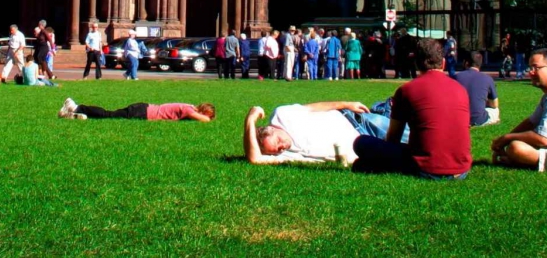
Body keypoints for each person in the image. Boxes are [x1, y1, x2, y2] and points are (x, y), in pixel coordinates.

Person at [350, 38, 471, 179]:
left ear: (416, 63)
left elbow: (393, 138)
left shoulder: (407, 90)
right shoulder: (460, 89)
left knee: (361, 143)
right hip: (461, 170)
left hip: (425, 167)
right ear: (443, 63)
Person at [244, 100, 397, 166]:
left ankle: (387, 108)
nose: (282, 146)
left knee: (413, 135)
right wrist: (250, 120)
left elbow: (314, 107)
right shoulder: (285, 155)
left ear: (272, 128)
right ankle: (387, 109)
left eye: (278, 141)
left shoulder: (282, 115)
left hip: (358, 123)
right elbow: (255, 159)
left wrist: (346, 104)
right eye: (277, 150)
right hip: (365, 150)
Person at [60, 98, 214, 121]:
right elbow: (205, 120)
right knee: (109, 114)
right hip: (142, 112)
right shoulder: (188, 110)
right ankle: (76, 106)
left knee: (111, 114)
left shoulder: (188, 106)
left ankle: (72, 114)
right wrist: (208, 118)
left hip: (143, 108)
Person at [454, 51, 500, 126]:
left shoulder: (456, 77)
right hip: (479, 119)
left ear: (466, 63)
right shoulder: (488, 79)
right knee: (495, 110)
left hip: (459, 118)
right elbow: (495, 104)